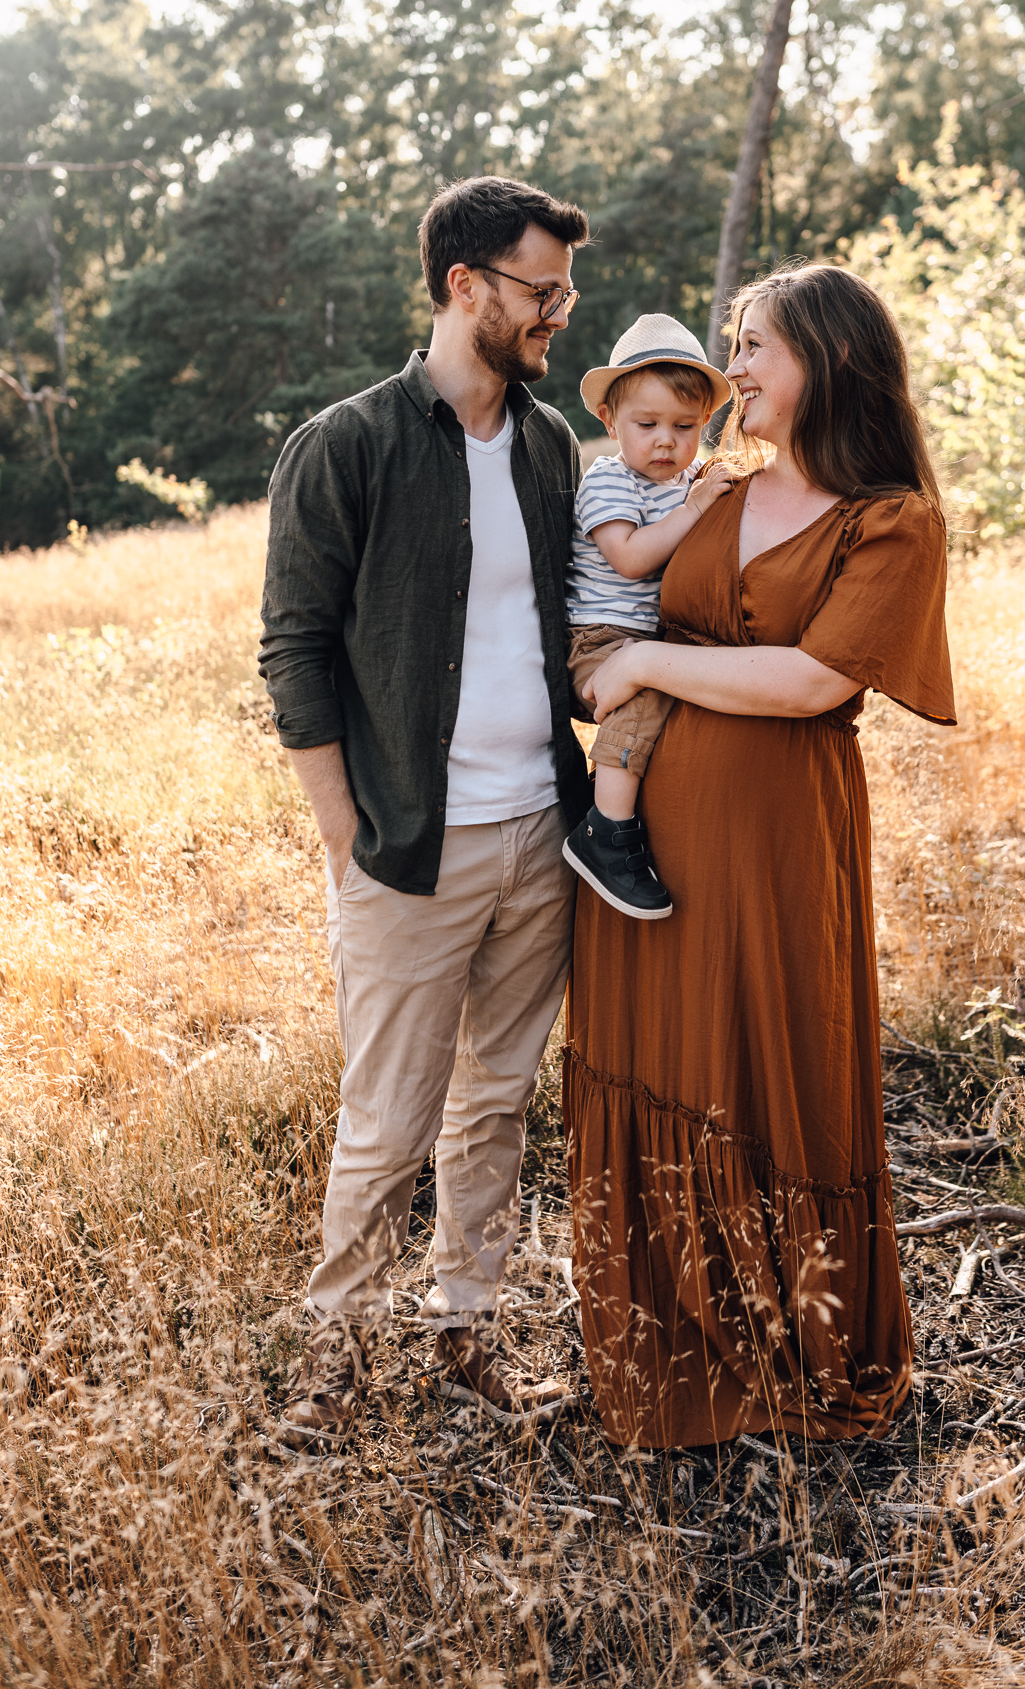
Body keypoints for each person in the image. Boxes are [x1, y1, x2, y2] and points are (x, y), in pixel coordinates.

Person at [566, 262, 956, 1449]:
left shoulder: (891, 517)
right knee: (660, 1057)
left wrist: (640, 671)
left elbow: (810, 679)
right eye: (733, 343)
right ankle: (671, 1348)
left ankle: (800, 1345)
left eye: (755, 345)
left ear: (829, 359)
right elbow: (617, 593)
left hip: (781, 837)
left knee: (772, 1059)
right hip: (639, 847)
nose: (732, 368)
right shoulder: (716, 490)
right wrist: (614, 667)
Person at [258, 174, 593, 1444]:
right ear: (467, 286)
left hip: (539, 839)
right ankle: (329, 1367)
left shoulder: (555, 445)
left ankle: (465, 1336)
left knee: (497, 1100)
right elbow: (292, 651)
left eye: (564, 289)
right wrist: (347, 836)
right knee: (387, 1119)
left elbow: (569, 622)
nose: (559, 312)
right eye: (541, 289)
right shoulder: (344, 445)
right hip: (407, 848)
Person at [562, 314, 734, 919]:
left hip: (646, 634)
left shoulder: (693, 480)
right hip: (600, 638)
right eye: (647, 424)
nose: (666, 441)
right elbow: (631, 560)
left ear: (705, 423)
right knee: (646, 696)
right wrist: (692, 510)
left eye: (684, 427)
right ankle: (606, 830)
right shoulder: (609, 481)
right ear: (609, 422)